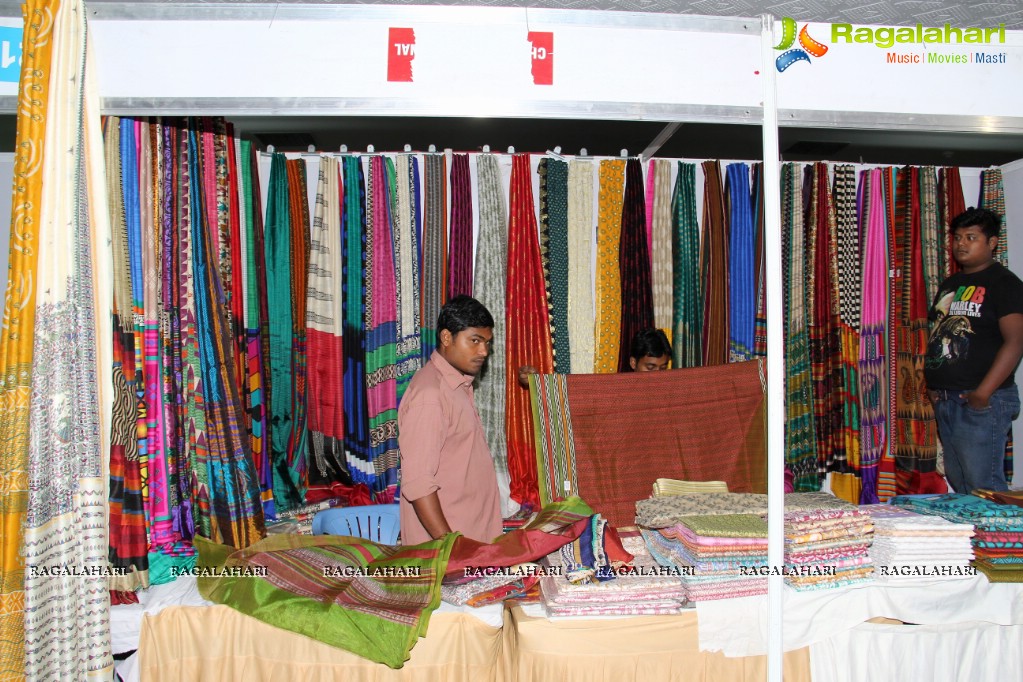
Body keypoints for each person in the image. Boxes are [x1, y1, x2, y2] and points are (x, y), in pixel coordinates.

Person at [924, 207, 1023, 494]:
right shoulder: (952, 283)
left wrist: (983, 392)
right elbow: (938, 332)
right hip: (946, 400)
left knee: (985, 488)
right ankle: (974, 540)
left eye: (971, 237)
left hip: (980, 402)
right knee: (960, 484)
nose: (961, 244)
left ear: (992, 243)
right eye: (957, 238)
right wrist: (932, 385)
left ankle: (999, 540)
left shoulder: (1004, 283)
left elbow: (1016, 341)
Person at [398, 295, 503, 545]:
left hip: (472, 538)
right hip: (450, 552)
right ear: (447, 338)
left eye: (487, 342)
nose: (483, 352)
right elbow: (418, 484)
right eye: (475, 341)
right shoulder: (430, 396)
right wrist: (451, 546)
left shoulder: (457, 383)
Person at [517, 327, 672, 387]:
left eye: (663, 368)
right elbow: (575, 395)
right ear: (633, 362)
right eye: (650, 367)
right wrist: (537, 382)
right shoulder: (618, 391)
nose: (657, 375)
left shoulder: (674, 391)